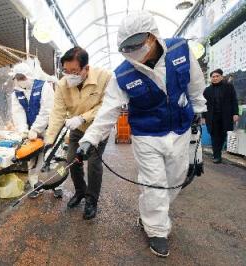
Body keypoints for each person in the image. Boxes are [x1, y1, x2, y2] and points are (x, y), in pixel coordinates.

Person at [77, 11, 207, 257]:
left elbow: (195, 83)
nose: (132, 52)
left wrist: (199, 110)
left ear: (152, 36)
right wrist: (89, 139)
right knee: (154, 183)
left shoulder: (180, 50)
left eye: (137, 45)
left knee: (176, 179)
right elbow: (108, 111)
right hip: (147, 135)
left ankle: (149, 214)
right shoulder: (123, 75)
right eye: (126, 48)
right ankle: (157, 230)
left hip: (179, 128)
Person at [45, 47, 112, 220]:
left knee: (94, 164)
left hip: (98, 128)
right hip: (77, 130)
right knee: (72, 161)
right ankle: (80, 192)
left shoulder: (104, 77)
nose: (69, 75)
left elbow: (106, 107)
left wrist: (83, 117)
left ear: (86, 68)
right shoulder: (62, 84)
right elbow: (58, 113)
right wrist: (49, 141)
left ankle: (92, 200)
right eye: (65, 71)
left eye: (74, 71)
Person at [10, 62, 62, 198]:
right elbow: (18, 113)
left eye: (22, 77)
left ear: (29, 76)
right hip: (31, 132)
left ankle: (57, 184)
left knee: (52, 156)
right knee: (32, 160)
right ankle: (36, 186)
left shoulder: (43, 86)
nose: (21, 81)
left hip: (49, 128)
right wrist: (24, 130)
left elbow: (47, 110)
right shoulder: (16, 93)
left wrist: (36, 129)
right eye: (18, 78)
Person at [203, 69, 239, 163]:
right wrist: (203, 116)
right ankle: (216, 156)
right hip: (212, 117)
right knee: (214, 136)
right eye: (213, 77)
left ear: (221, 77)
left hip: (225, 116)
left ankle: (218, 153)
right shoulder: (207, 90)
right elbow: (204, 104)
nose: (215, 78)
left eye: (217, 76)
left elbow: (234, 100)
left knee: (223, 135)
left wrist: (235, 113)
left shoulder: (229, 87)